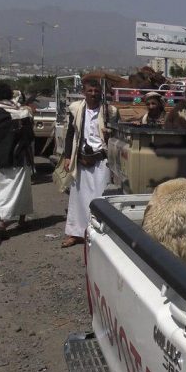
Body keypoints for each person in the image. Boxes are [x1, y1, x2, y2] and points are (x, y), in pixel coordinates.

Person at [61, 77, 119, 248]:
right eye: (90, 91)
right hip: (81, 158)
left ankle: (100, 235)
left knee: (101, 196)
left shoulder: (110, 111)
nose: (93, 94)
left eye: (96, 91)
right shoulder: (77, 109)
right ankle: (76, 234)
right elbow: (70, 133)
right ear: (83, 93)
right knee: (77, 198)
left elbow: (116, 135)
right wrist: (67, 156)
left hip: (101, 159)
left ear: (100, 93)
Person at [0, 82, 35, 240]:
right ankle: (22, 220)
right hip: (20, 157)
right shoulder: (23, 112)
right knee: (22, 190)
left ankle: (1, 222)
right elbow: (29, 136)